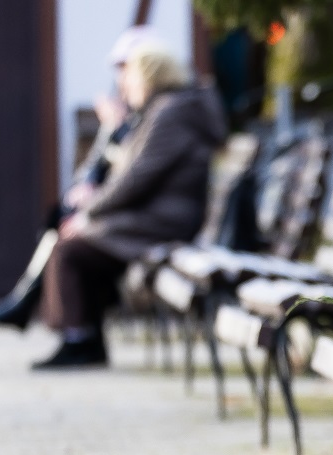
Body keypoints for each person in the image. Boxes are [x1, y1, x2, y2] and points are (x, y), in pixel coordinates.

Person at [34, 43, 227, 369]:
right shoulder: (165, 110)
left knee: (70, 250)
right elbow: (130, 173)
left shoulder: (171, 113)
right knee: (74, 244)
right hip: (159, 216)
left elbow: (135, 179)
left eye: (130, 77)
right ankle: (84, 338)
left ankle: (79, 340)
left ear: (150, 77)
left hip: (164, 222)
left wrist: (88, 215)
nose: (124, 86)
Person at [0, 26, 164, 330]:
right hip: (133, 215)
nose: (122, 78)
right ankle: (36, 309)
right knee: (61, 219)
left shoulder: (158, 114)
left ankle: (70, 331)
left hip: (146, 221)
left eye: (126, 68)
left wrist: (91, 210)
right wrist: (110, 131)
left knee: (69, 238)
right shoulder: (142, 114)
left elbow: (134, 177)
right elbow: (98, 171)